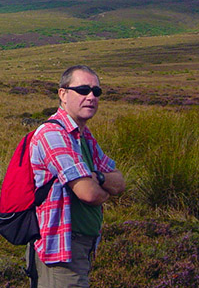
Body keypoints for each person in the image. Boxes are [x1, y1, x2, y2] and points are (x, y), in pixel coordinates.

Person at [28, 65, 125, 287]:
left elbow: (119, 182)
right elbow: (89, 194)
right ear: (63, 94)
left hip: (82, 246)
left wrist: (97, 178)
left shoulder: (84, 136)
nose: (91, 96)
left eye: (96, 92)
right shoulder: (53, 134)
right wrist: (102, 187)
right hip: (61, 251)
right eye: (83, 90)